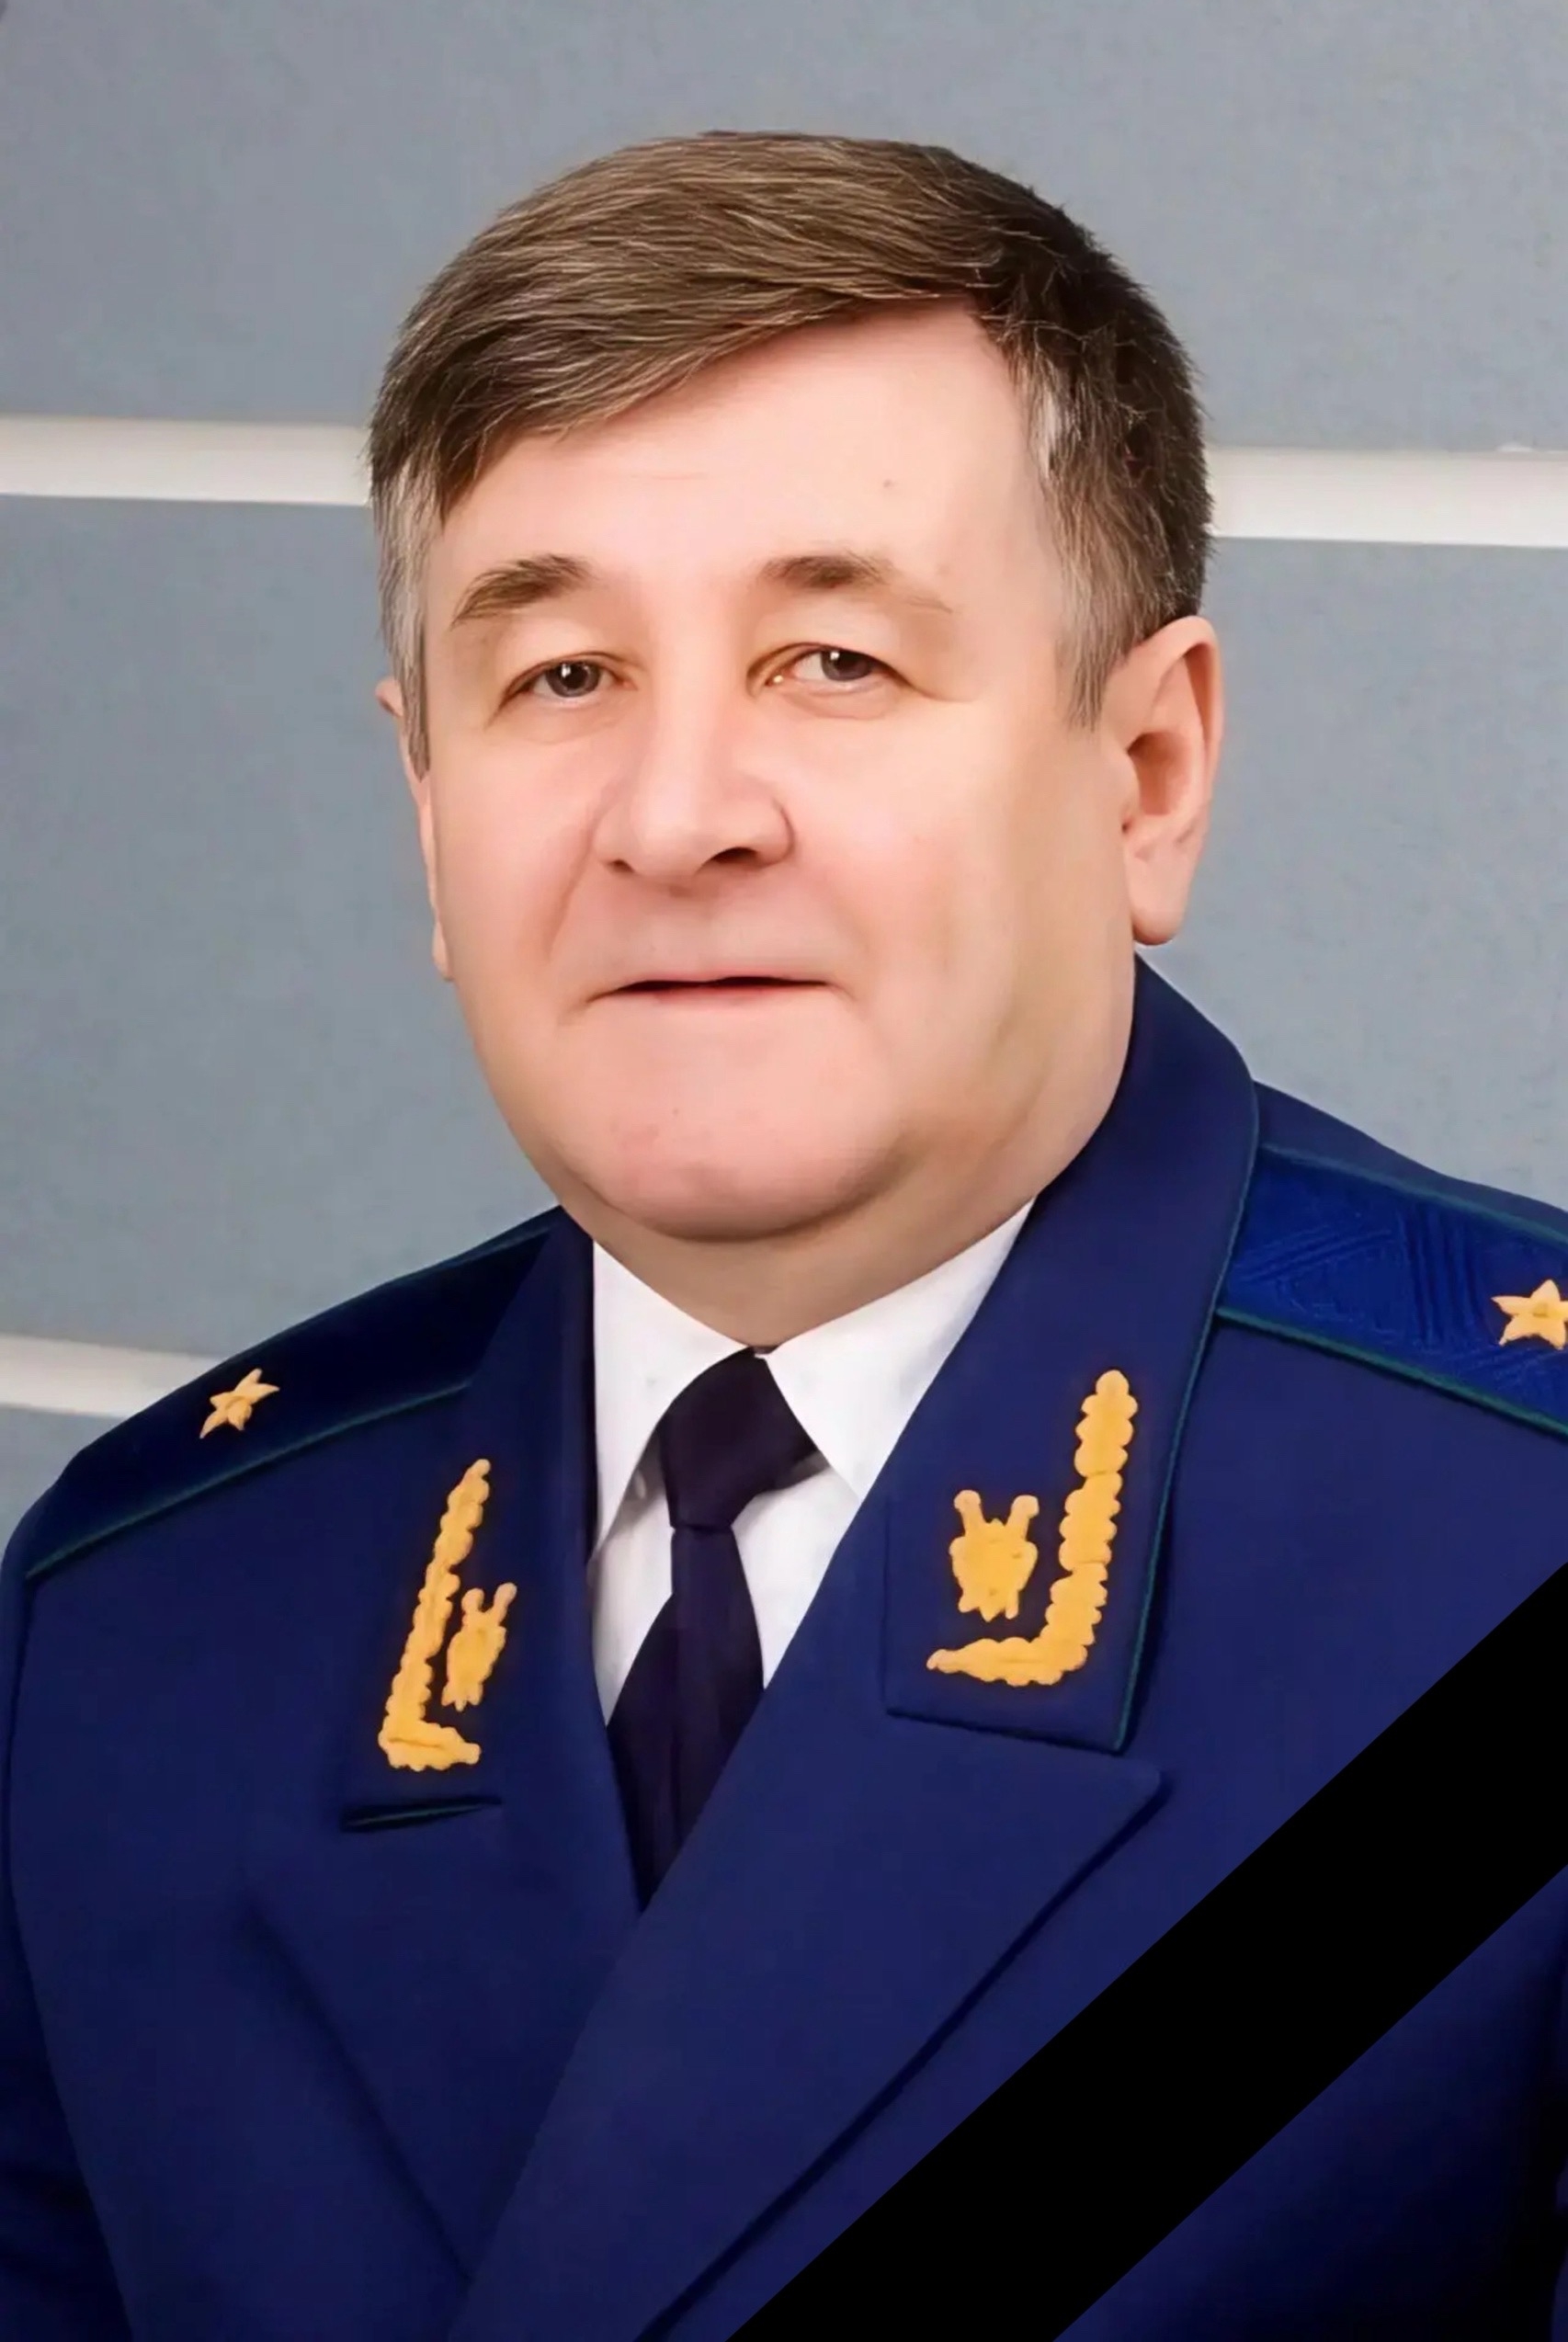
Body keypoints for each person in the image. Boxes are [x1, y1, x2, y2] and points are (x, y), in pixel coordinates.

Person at [3, 127, 1567, 2342]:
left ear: (1145, 772)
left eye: (833, 660)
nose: (674, 817)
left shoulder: (1507, 1549)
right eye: (561, 677)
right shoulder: (138, 1617)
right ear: (427, 810)